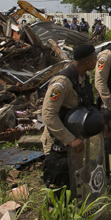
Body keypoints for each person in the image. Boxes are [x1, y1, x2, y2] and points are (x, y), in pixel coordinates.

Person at [40, 44, 98, 188]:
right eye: (95, 57)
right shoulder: (62, 83)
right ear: (87, 62)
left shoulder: (83, 78)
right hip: (58, 141)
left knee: (74, 181)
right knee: (58, 185)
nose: (97, 60)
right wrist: (70, 140)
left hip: (74, 140)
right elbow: (48, 115)